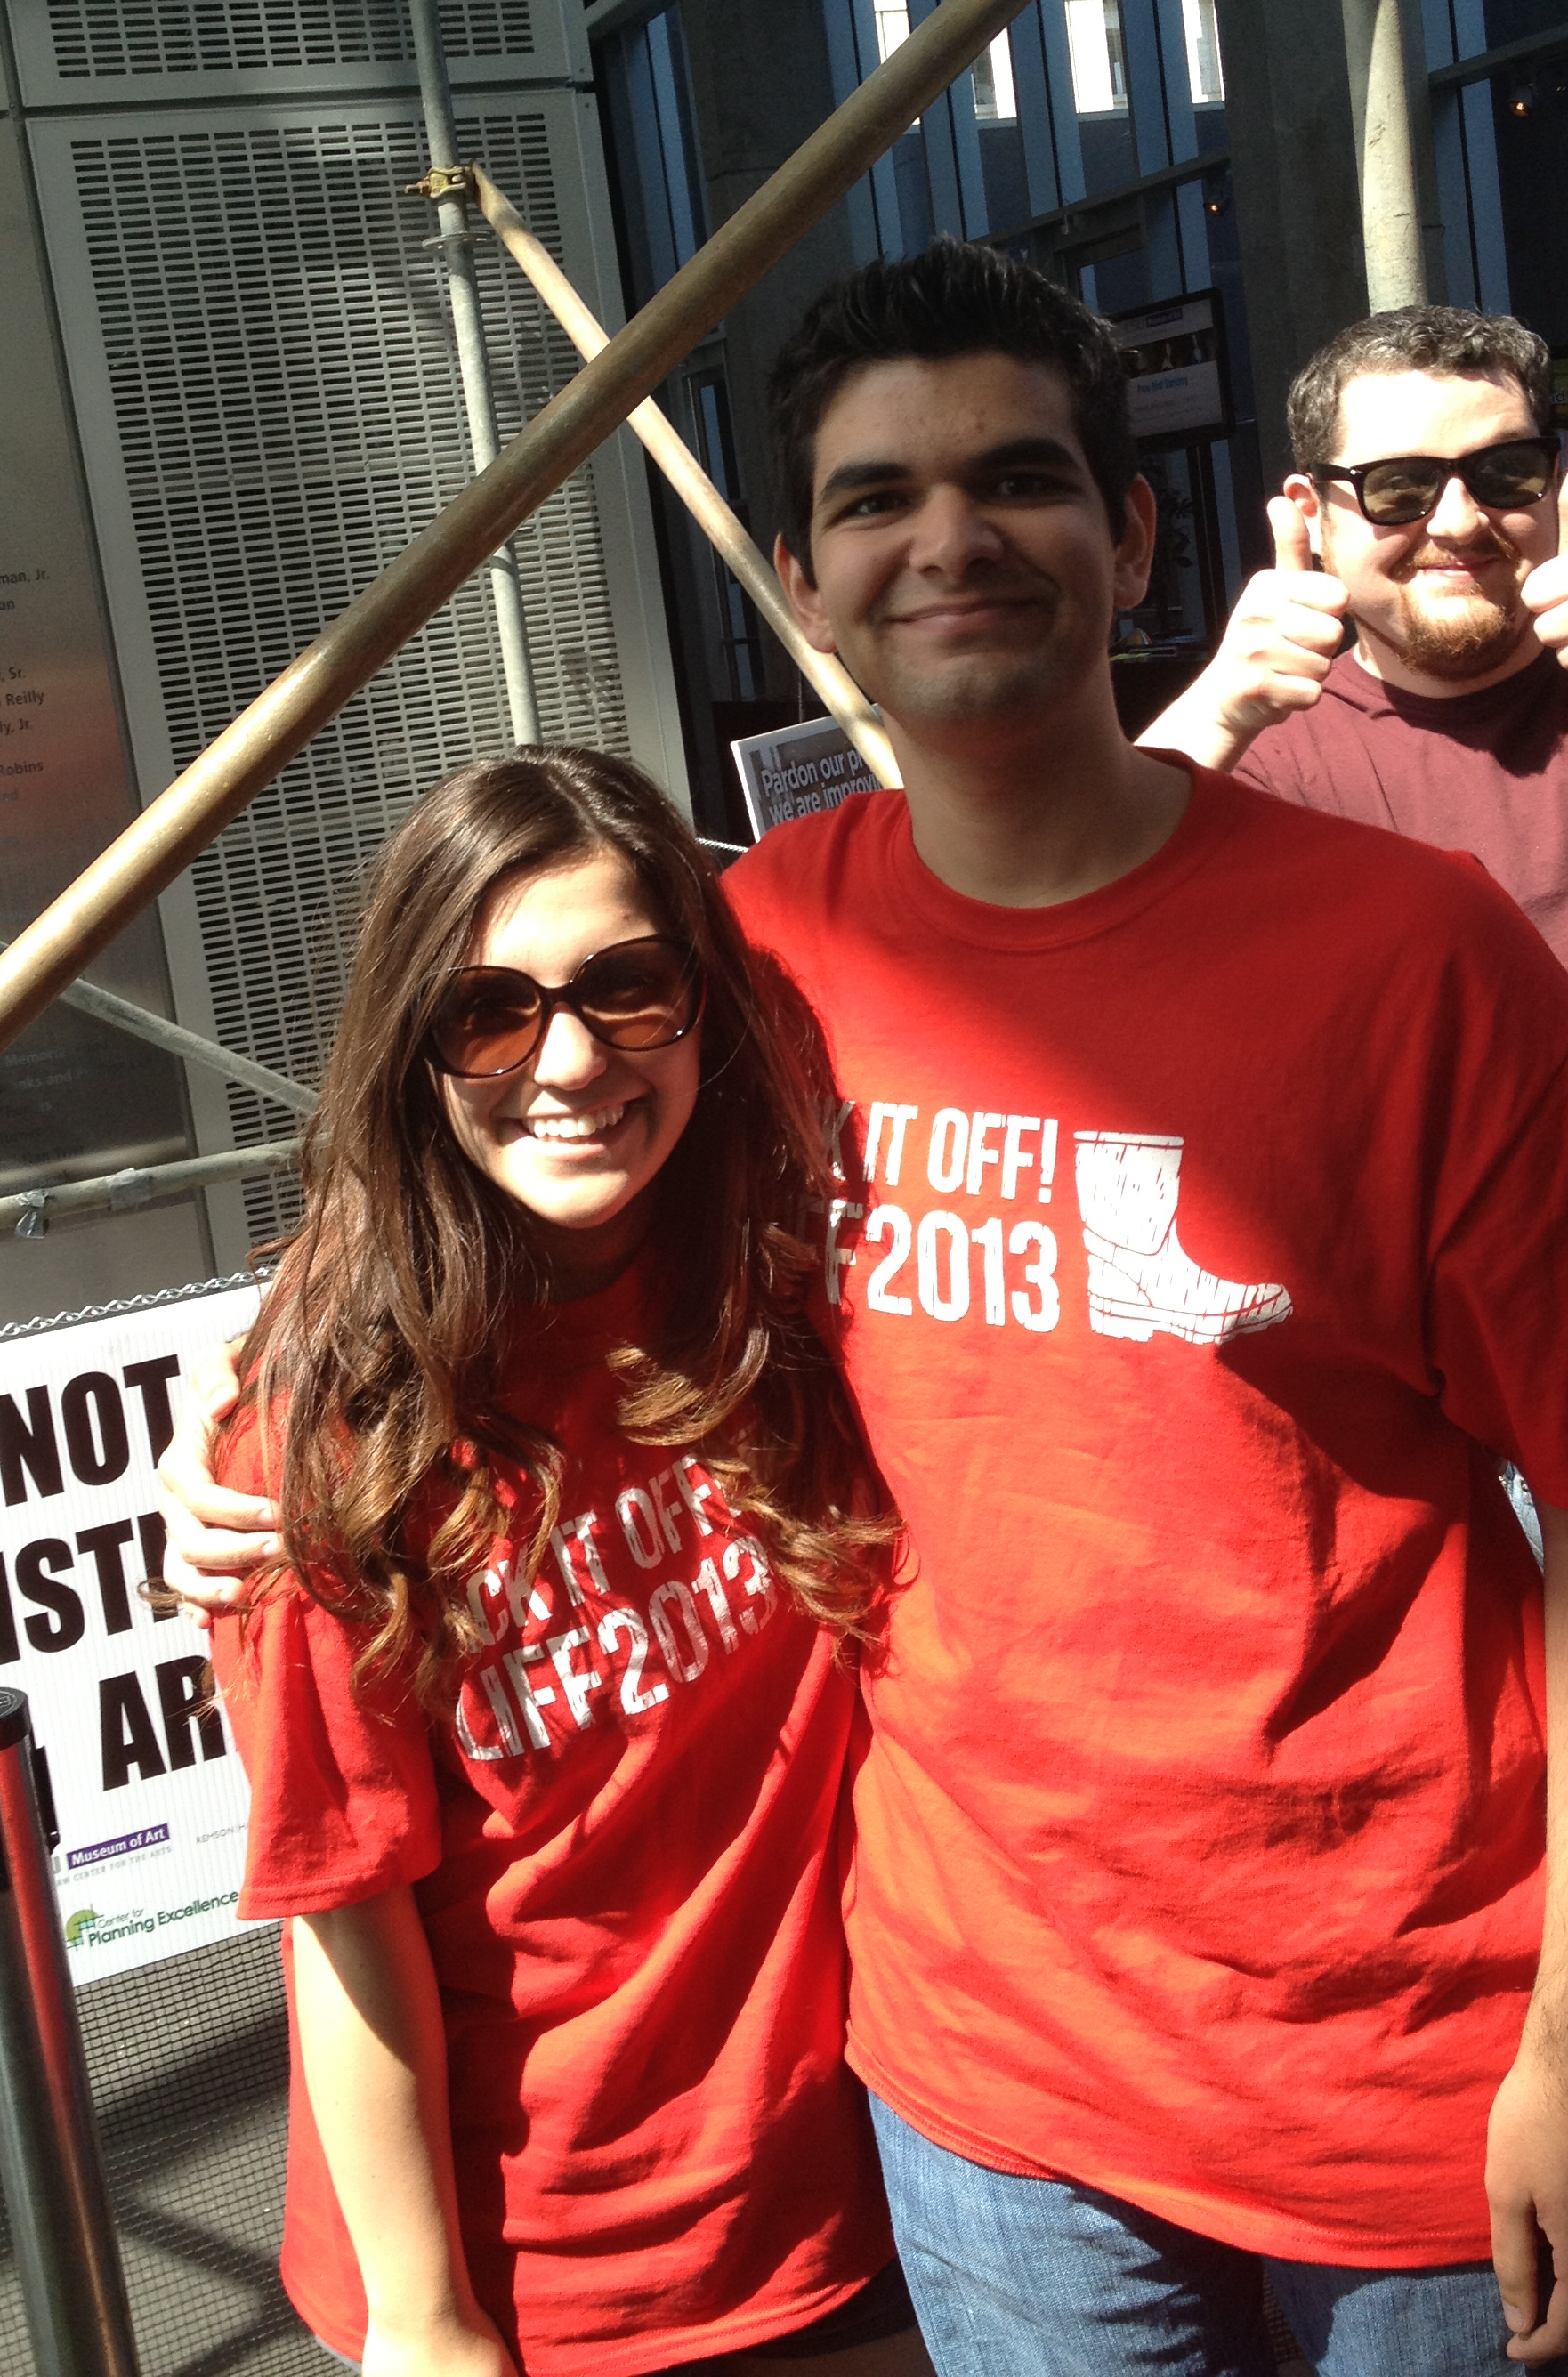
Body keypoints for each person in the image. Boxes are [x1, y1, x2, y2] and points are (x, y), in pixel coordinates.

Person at [167, 241, 1568, 2377]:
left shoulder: (1418, 957)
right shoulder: (761, 952)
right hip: (982, 2105)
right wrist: (270, 1365)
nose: (951, 537)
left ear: (1132, 537)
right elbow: (505, 1096)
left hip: (1399, 2066)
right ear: (806, 576)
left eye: (1018, 477)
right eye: (876, 499)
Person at [1141, 303, 1568, 2375]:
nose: (1465, 525)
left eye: (1503, 471)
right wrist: (1194, 739)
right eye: (1396, 490)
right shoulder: (1273, 737)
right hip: (1555, 1493)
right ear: (1302, 518)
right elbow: (1038, 943)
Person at [202, 746, 928, 2377]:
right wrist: (425, 2318)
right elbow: (344, 1909)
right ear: (417, 1049)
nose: (572, 1058)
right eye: (492, 1011)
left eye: (628, 988)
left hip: (860, 2191)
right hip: (548, 2272)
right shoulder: (338, 1429)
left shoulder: (781, 1287)